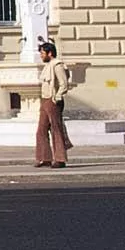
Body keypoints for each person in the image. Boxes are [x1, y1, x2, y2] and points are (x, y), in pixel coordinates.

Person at [34, 39, 71, 168]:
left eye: (43, 53)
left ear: (50, 53)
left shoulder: (57, 65)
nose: (41, 55)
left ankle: (60, 159)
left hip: (53, 100)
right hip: (45, 100)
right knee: (41, 130)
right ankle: (45, 158)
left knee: (56, 129)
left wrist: (58, 97)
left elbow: (64, 84)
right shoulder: (48, 66)